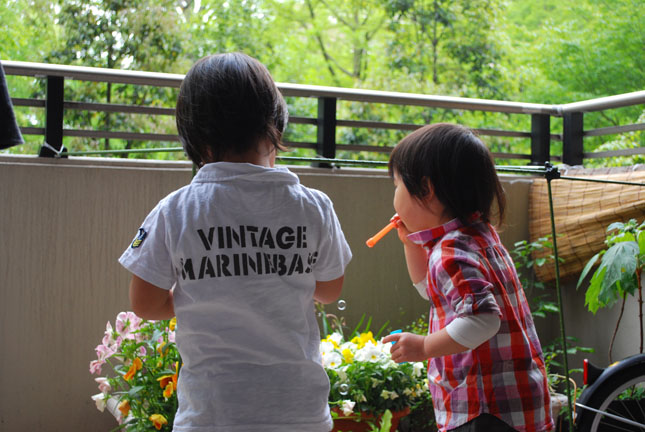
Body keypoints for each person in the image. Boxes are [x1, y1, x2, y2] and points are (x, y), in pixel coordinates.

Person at [119, 52, 352, 432]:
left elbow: (144, 303)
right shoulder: (313, 206)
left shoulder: (175, 210)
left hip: (212, 414)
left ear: (194, 136)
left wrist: (206, 292)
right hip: (298, 412)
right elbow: (329, 290)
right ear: (276, 122)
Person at [382, 123, 553, 432]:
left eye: (397, 185)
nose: (394, 196)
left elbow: (483, 319)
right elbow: (431, 291)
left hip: (484, 407)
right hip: (511, 403)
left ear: (426, 189)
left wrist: (424, 347)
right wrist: (410, 245)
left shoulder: (452, 252)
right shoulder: (479, 236)